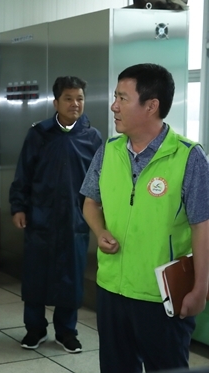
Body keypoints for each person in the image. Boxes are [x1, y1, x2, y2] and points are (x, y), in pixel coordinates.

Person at [81, 63, 209, 372]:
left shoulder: (189, 157)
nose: (114, 106)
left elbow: (202, 227)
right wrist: (100, 232)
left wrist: (201, 289)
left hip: (161, 296)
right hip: (112, 289)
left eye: (122, 99)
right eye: (115, 97)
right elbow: (89, 202)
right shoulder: (108, 151)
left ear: (151, 106)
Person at [9, 76, 102, 353]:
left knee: (70, 279)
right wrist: (18, 207)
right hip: (41, 219)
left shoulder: (92, 137)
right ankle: (34, 330)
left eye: (80, 99)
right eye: (69, 98)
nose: (75, 104)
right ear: (56, 102)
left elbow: (101, 183)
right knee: (36, 277)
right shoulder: (39, 134)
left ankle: (66, 331)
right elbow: (23, 175)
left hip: (75, 220)